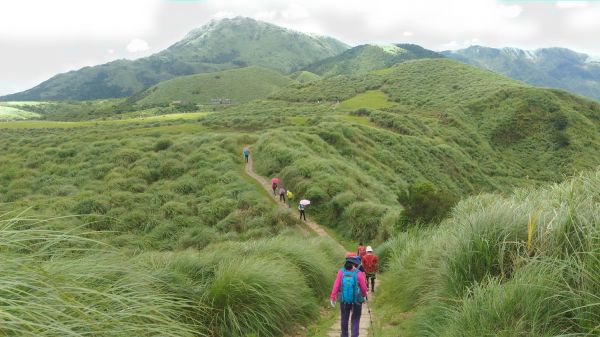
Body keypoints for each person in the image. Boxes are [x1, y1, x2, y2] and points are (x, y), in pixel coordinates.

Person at [330, 253, 368, 337]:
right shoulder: (359, 273)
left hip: (344, 300)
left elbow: (336, 285)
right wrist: (364, 295)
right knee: (355, 319)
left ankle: (344, 335)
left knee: (344, 318)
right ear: (355, 263)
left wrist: (333, 297)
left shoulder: (341, 272)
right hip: (357, 301)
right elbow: (364, 288)